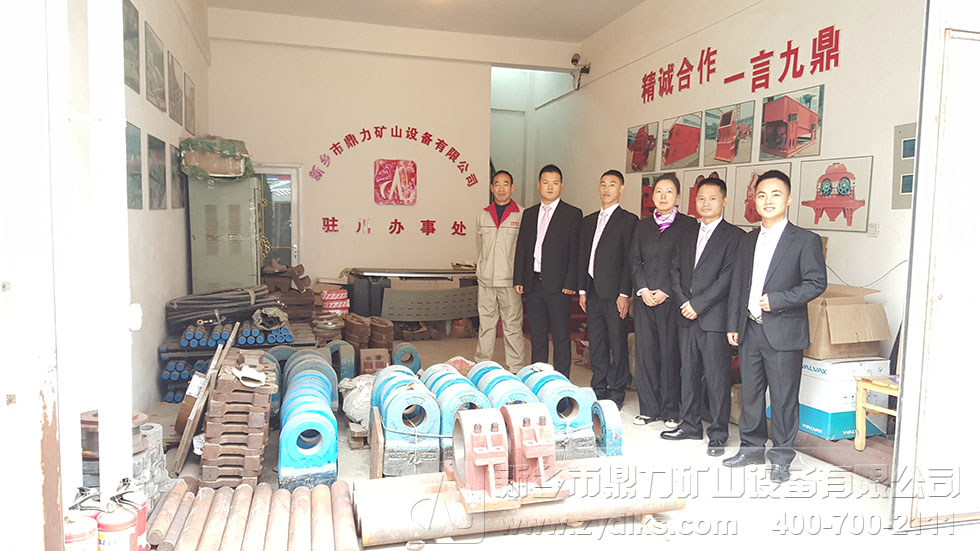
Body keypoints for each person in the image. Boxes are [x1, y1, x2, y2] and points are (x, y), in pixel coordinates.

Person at [723, 169, 827, 483]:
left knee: (783, 399)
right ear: (755, 200)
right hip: (750, 328)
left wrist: (779, 300)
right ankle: (751, 448)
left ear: (789, 198)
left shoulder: (805, 240)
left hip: (783, 331)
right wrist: (734, 323)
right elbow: (738, 284)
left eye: (776, 194)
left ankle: (781, 457)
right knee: (751, 394)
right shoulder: (747, 240)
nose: (768, 201)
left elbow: (816, 283)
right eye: (762, 195)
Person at [660, 177, 744, 457]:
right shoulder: (687, 233)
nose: (706, 203)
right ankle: (690, 424)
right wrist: (684, 302)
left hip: (714, 319)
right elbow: (674, 271)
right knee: (688, 373)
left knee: (717, 377)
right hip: (686, 315)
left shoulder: (734, 236)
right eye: (701, 198)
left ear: (724, 201)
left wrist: (698, 304)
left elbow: (728, 278)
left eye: (712, 198)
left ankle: (718, 433)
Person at [629, 173, 696, 427]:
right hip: (644, 300)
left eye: (669, 191)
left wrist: (666, 290)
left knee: (670, 356)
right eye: (658, 191)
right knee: (645, 355)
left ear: (677, 196)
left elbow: (686, 263)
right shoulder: (642, 226)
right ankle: (648, 409)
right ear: (652, 196)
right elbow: (635, 260)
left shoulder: (688, 225)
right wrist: (643, 289)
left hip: (672, 301)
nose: (663, 196)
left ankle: (670, 410)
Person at [514, 165, 582, 378]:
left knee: (561, 337)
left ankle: (561, 381)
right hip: (533, 282)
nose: (550, 187)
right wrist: (519, 277)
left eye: (555, 183)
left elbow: (575, 251)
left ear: (561, 186)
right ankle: (538, 379)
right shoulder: (529, 213)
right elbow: (522, 247)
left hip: (560, 285)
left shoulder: (572, 214)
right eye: (546, 182)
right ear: (538, 185)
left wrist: (571, 282)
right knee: (537, 336)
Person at [578, 169, 638, 408]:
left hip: (615, 295)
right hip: (592, 291)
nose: (606, 189)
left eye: (612, 184)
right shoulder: (588, 221)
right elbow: (583, 257)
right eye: (603, 184)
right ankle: (599, 387)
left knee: (617, 343)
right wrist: (582, 290)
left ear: (621, 189)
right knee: (597, 343)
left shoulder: (628, 220)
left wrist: (624, 294)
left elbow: (629, 260)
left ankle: (617, 390)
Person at [475, 170, 525, 372]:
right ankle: (481, 366)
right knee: (485, 325)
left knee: (512, 326)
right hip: (486, 280)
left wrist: (520, 278)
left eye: (506, 184)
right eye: (497, 184)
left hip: (510, 280)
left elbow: (524, 250)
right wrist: (481, 270)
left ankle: (515, 368)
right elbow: (479, 247)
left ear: (512, 187)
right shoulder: (483, 215)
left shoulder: (521, 215)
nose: (501, 188)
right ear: (491, 188)